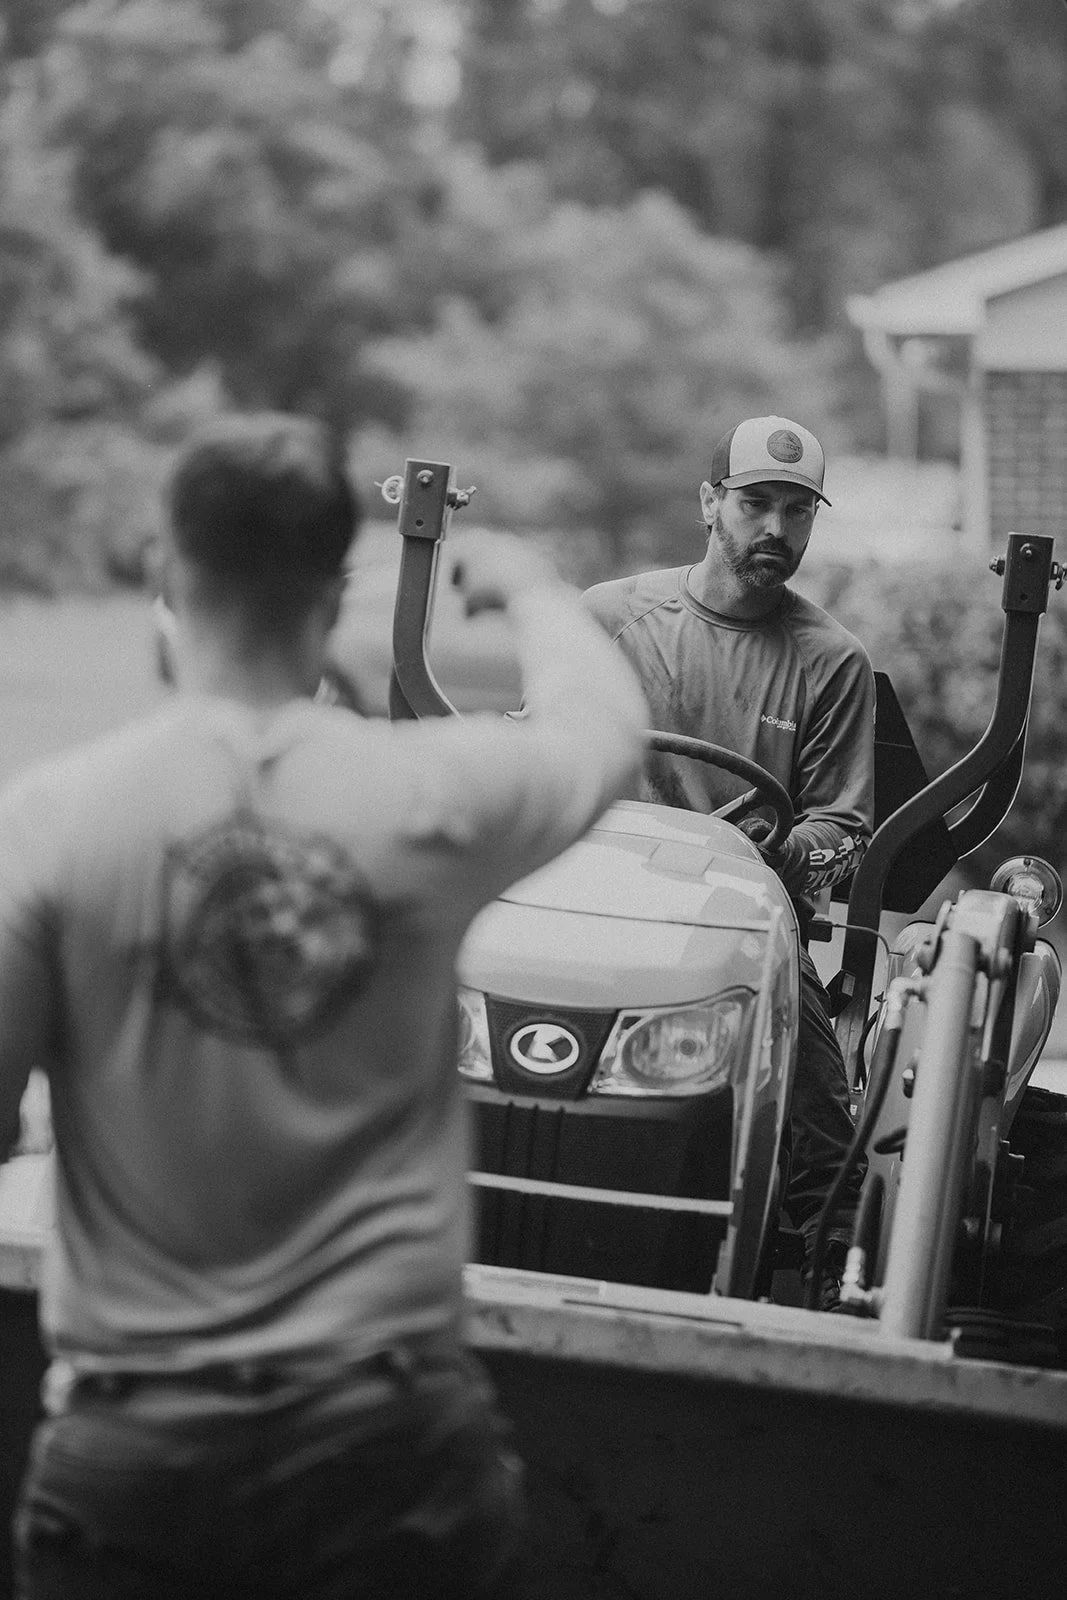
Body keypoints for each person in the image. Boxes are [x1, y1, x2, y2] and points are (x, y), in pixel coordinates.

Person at [0, 412, 648, 1600]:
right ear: (336, 589)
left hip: (136, 1456)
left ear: (162, 569)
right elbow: (605, 730)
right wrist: (529, 588)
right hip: (386, 1451)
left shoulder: (47, 823)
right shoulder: (425, 798)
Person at [584, 415, 876, 1308]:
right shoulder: (610, 619)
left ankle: (819, 1284)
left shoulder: (831, 662)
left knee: (831, 1130)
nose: (776, 531)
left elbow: (846, 821)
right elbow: (545, 759)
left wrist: (788, 847)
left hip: (750, 926)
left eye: (798, 511)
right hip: (605, 901)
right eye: (755, 504)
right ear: (710, 503)